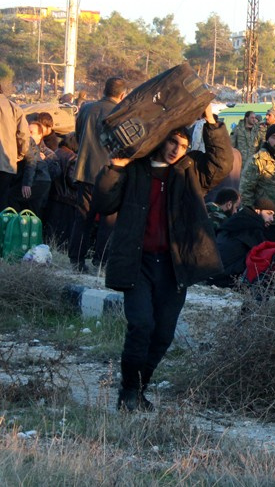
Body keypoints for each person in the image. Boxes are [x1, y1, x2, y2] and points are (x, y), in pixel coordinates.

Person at [92, 104, 232, 411]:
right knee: (141, 325)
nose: (176, 150)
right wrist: (114, 167)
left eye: (183, 145)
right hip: (137, 262)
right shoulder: (135, 168)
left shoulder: (190, 170)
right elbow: (103, 203)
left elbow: (222, 164)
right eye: (172, 142)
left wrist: (211, 122)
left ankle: (139, 389)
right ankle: (128, 391)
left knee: (163, 333)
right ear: (160, 139)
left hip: (174, 266)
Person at [69, 76, 127, 272]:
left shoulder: (86, 108)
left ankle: (76, 260)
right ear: (122, 94)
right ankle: (101, 262)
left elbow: (77, 136)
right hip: (109, 175)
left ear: (104, 90)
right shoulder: (121, 112)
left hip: (85, 170)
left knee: (83, 217)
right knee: (108, 220)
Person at [208, 197, 275, 288]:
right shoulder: (253, 228)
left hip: (210, 271)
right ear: (257, 211)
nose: (272, 219)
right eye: (269, 213)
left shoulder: (236, 220)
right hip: (223, 278)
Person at [8, 121, 60, 218]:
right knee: (32, 211)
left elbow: (31, 162)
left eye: (32, 132)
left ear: (40, 135)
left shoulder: (46, 151)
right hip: (38, 180)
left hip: (38, 180)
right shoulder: (29, 144)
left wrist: (27, 183)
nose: (29, 134)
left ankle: (17, 224)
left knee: (12, 197)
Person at [0, 85, 31, 210]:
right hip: (7, 164)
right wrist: (19, 155)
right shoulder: (14, 108)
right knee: (2, 202)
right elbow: (24, 136)